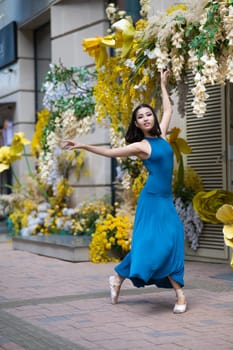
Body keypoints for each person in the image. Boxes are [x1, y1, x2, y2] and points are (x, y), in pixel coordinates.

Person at [63, 70, 187, 314]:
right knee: (158, 244)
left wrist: (162, 84)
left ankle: (118, 277)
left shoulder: (161, 133)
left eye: (148, 114)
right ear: (137, 123)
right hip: (151, 200)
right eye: (140, 117)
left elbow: (169, 109)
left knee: (171, 240)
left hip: (164, 199)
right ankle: (180, 295)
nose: (146, 118)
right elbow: (110, 153)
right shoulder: (141, 146)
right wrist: (83, 145)